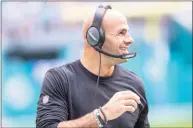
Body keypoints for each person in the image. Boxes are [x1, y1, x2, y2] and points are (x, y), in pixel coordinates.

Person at [36, 4, 150, 128]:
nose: (130, 40)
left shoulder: (134, 83)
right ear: (95, 38)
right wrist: (102, 115)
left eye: (128, 32)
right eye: (121, 33)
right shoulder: (60, 79)